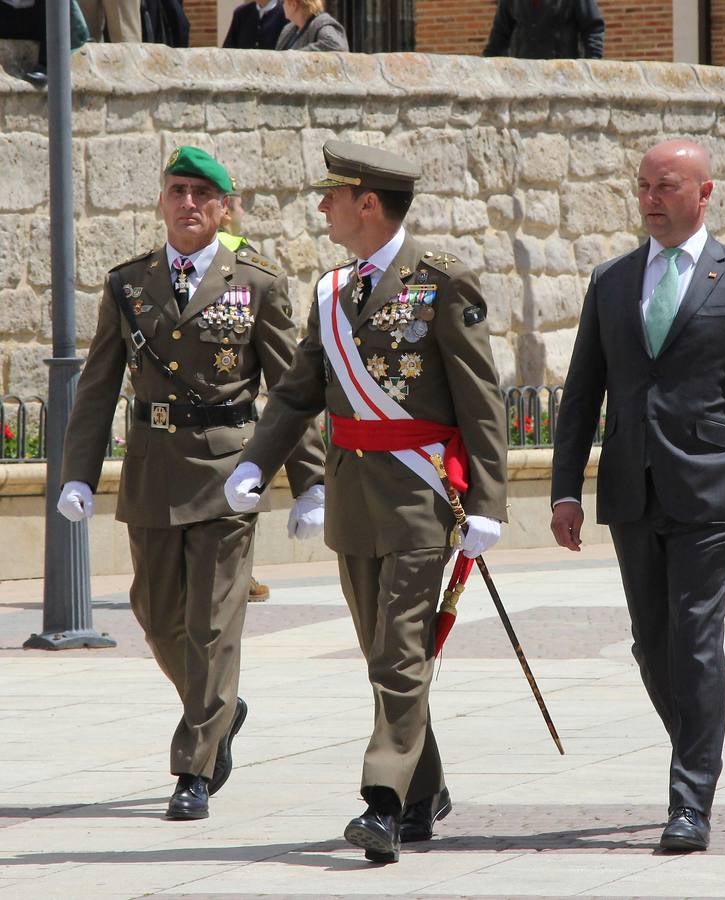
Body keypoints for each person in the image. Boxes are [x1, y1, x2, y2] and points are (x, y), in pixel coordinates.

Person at [225, 140, 507, 863]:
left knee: (399, 652)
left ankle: (380, 803)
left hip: (419, 495)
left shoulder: (443, 284)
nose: (322, 206)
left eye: (332, 195)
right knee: (383, 653)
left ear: (368, 204)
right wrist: (259, 463)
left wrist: (488, 503)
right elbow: (297, 391)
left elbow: (481, 403)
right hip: (353, 497)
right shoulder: (331, 290)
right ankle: (424, 788)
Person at [57, 146, 326, 821]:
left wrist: (308, 481)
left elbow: (292, 390)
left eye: (202, 196)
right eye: (177, 192)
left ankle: (193, 768)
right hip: (150, 470)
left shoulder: (257, 284)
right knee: (155, 616)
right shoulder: (129, 284)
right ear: (161, 202)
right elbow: (95, 391)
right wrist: (78, 475)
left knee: (211, 626)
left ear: (224, 208)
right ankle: (222, 710)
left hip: (228, 472)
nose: (188, 206)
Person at [550, 138, 725, 852]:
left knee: (693, 640)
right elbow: (580, 396)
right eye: (643, 186)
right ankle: (698, 740)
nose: (651, 199)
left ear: (703, 193)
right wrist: (564, 489)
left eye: (666, 186)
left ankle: (689, 799)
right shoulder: (611, 280)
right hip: (632, 487)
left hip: (712, 488)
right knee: (650, 646)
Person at [216, 190, 271, 604]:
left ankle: (243, 576)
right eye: (235, 204)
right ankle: (244, 576)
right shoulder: (238, 250)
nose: (238, 212)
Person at [483, 0, 604, 60]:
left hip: (562, 77)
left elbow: (592, 27)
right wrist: (485, 67)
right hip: (523, 77)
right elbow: (499, 36)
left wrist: (592, 63)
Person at [275, 0, 348, 52]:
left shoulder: (322, 23)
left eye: (284, 2)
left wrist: (296, 55)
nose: (282, 5)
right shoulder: (288, 30)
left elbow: (335, 45)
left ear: (294, 4)